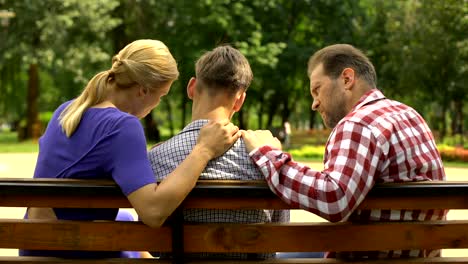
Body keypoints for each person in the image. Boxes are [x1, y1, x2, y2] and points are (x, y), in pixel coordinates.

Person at [20, 39, 240, 259]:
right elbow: (154, 212)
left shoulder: (67, 110)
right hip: (69, 252)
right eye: (161, 96)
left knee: (124, 219)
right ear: (143, 90)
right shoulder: (122, 126)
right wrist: (204, 149)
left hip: (36, 243)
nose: (157, 104)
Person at [241, 44, 446, 259]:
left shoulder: (359, 124)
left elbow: (334, 198)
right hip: (416, 256)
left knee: (274, 258)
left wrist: (268, 154)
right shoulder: (409, 115)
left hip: (369, 258)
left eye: (317, 90)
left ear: (347, 79)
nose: (314, 103)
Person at [148, 45, 289, 260]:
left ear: (192, 87)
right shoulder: (264, 158)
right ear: (240, 99)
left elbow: (154, 246)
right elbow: (277, 236)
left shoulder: (156, 157)